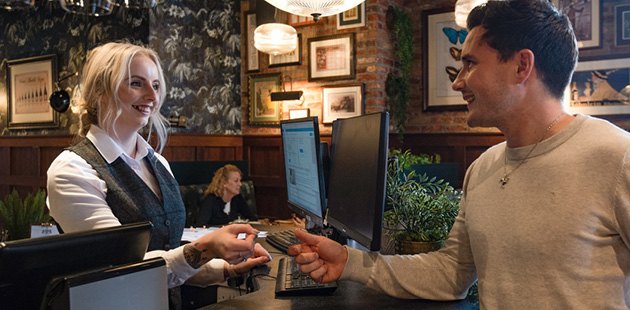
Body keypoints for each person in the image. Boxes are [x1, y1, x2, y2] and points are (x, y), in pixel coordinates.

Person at [288, 1, 630, 309]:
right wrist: (349, 262)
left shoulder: (617, 157)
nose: (458, 82)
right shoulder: (483, 167)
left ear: (521, 66)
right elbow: (450, 273)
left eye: (470, 64)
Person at [46, 42, 270, 309]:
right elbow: (125, 270)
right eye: (136, 83)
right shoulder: (72, 170)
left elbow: (171, 258)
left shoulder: (158, 162)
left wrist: (230, 267)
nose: (152, 97)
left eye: (155, 85)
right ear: (100, 92)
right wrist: (208, 247)